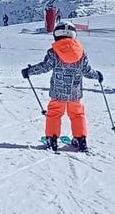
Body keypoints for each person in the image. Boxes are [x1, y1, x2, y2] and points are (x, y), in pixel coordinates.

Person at [22, 20, 104, 152]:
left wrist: (29, 71)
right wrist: (97, 75)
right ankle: (81, 139)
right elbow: (87, 70)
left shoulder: (53, 51)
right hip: (75, 92)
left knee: (54, 114)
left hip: (58, 92)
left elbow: (45, 67)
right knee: (77, 114)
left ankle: (52, 139)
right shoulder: (81, 52)